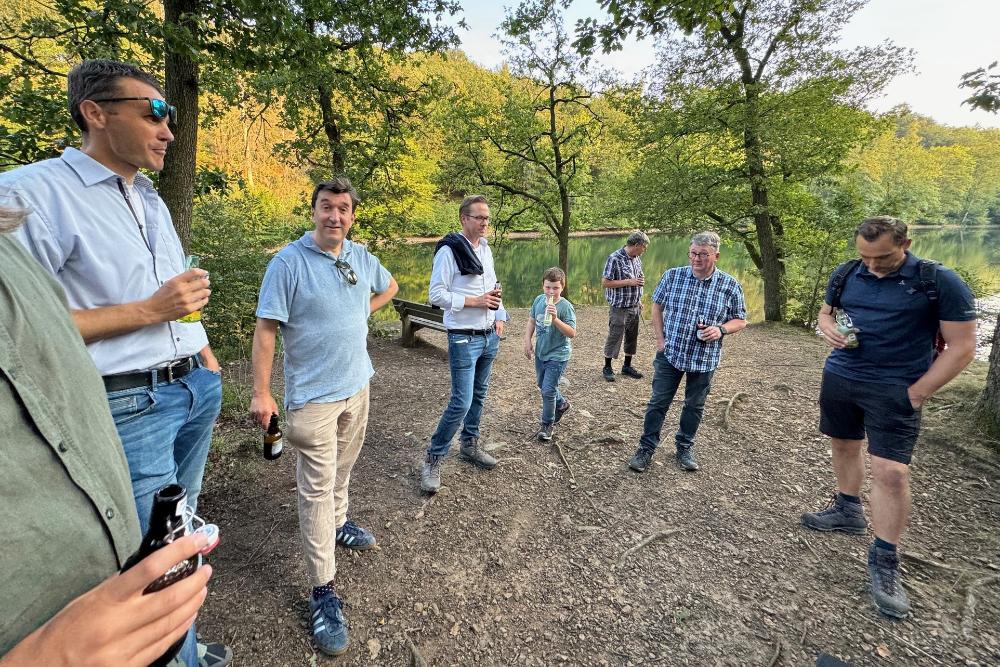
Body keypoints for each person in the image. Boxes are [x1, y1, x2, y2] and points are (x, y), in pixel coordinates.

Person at [0, 59, 228, 666]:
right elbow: (23, 336)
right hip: (128, 405)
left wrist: (203, 356)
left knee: (183, 542)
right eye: (153, 112)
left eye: (171, 115)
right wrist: (151, 310)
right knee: (152, 569)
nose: (169, 129)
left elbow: (175, 296)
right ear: (95, 113)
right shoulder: (30, 194)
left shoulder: (147, 196)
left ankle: (190, 649)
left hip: (192, 392)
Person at [250, 178, 398, 656]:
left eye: (344, 209)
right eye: (327, 208)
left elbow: (390, 286)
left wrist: (362, 312)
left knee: (344, 471)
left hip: (358, 386)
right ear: (313, 211)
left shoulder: (359, 256)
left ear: (353, 215)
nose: (335, 216)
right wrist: (261, 392)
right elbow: (267, 329)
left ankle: (338, 525)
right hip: (312, 398)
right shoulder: (288, 263)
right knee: (316, 486)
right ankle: (322, 591)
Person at [802, 216, 977, 619]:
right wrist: (827, 327)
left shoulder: (937, 281)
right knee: (844, 444)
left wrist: (918, 392)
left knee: (892, 472)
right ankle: (847, 508)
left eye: (881, 258)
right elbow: (827, 313)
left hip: (898, 387)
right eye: (865, 257)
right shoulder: (848, 271)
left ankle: (885, 557)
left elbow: (963, 346)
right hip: (843, 375)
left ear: (906, 243)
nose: (872, 266)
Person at [628, 231, 747, 473]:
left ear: (716, 256)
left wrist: (721, 330)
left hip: (704, 358)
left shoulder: (730, 285)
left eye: (703, 254)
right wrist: (660, 340)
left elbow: (740, 319)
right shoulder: (673, 276)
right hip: (671, 353)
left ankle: (684, 447)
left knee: (694, 405)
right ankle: (646, 448)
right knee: (658, 402)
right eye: (693, 253)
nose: (697, 259)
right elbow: (657, 306)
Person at [420, 194, 509, 493]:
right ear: (464, 219)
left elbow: (493, 286)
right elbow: (436, 295)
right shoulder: (449, 251)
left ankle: (469, 444)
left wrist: (501, 314)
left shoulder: (485, 249)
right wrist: (476, 301)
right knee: (461, 400)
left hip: (488, 335)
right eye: (479, 217)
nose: (485, 223)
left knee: (480, 395)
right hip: (463, 337)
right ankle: (433, 458)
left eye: (487, 218)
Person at [523, 267, 577, 442]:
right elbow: (532, 320)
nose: (551, 291)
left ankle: (547, 424)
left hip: (558, 355)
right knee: (543, 385)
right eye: (548, 287)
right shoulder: (539, 300)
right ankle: (561, 403)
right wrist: (527, 341)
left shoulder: (565, 307)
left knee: (547, 390)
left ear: (562, 287)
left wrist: (555, 320)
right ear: (542, 286)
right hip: (541, 353)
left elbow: (571, 333)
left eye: (555, 288)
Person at [601, 231, 650, 382]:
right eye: (644, 247)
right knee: (615, 335)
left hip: (634, 305)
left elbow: (638, 280)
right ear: (636, 245)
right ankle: (607, 367)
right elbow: (605, 283)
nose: (644, 250)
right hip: (619, 306)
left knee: (632, 336)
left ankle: (627, 366)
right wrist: (630, 282)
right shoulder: (614, 258)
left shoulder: (637, 259)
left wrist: (639, 299)